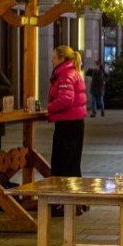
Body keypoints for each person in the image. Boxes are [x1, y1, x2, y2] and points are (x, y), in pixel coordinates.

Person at [48, 46, 88, 181]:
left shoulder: (66, 75)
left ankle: (62, 197)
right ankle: (75, 199)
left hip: (67, 125)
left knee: (63, 165)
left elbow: (66, 99)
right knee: (72, 164)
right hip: (74, 123)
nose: (52, 61)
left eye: (54, 58)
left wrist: (50, 108)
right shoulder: (72, 72)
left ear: (62, 59)